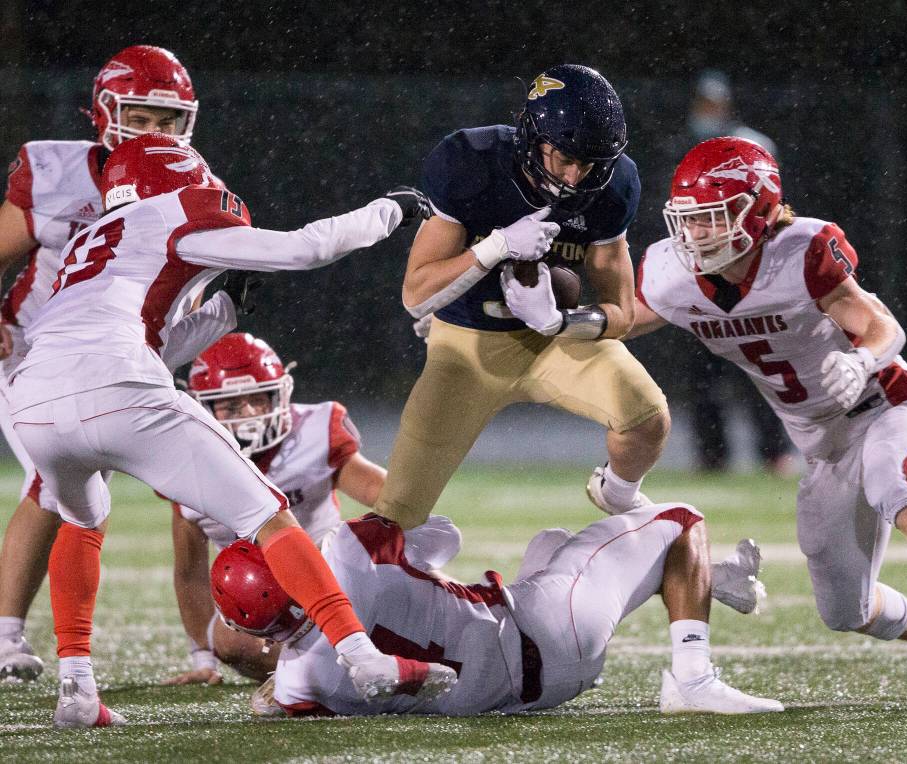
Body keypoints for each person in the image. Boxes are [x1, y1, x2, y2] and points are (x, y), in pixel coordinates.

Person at [5, 132, 447, 728]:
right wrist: (386, 212)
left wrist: (222, 312)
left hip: (33, 399)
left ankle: (77, 692)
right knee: (268, 514)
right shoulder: (174, 209)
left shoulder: (90, 240)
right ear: (175, 175)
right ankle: (363, 657)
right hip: (116, 383)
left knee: (83, 519)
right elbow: (304, 248)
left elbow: (149, 342)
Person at [631, 136, 907, 700]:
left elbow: (884, 326)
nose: (697, 232)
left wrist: (862, 357)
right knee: (844, 608)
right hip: (824, 446)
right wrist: (559, 317)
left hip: (889, 405)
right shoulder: (673, 276)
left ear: (757, 210)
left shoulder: (801, 251)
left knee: (896, 481)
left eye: (714, 217)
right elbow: (624, 319)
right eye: (690, 219)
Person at [0, 45, 244, 683]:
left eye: (169, 120)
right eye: (141, 115)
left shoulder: (187, 175)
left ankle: (225, 636)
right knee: (55, 485)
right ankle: (8, 638)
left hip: (128, 349)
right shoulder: (57, 172)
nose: (156, 132)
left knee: (202, 486)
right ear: (104, 111)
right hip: (37, 350)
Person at [376, 63, 670, 529]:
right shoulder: (471, 162)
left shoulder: (614, 186)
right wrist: (495, 248)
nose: (574, 177)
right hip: (466, 345)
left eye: (589, 163)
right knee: (395, 519)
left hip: (554, 342)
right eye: (564, 158)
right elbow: (416, 293)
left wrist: (562, 323)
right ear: (531, 136)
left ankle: (617, 496)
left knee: (648, 418)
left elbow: (624, 313)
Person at [211, 504, 783, 717]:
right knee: (680, 522)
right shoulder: (347, 551)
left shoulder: (296, 685)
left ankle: (706, 580)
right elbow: (443, 535)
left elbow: (287, 700)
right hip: (548, 630)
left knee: (551, 545)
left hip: (529, 696)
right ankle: (694, 676)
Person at [162, 332, 392, 684]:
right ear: (202, 407)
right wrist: (203, 657)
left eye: (259, 399)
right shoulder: (188, 458)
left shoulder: (314, 431)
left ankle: (316, 677)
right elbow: (189, 572)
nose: (250, 415)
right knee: (230, 641)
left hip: (336, 577)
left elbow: (385, 495)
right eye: (233, 406)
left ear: (281, 393)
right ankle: (329, 676)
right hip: (266, 607)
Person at [680, 68, 790, 472]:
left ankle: (774, 451)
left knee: (759, 366)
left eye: (714, 103)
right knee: (704, 375)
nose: (708, 110)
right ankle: (712, 454)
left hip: (749, 271)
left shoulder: (753, 145)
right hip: (701, 272)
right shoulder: (686, 147)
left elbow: (774, 208)